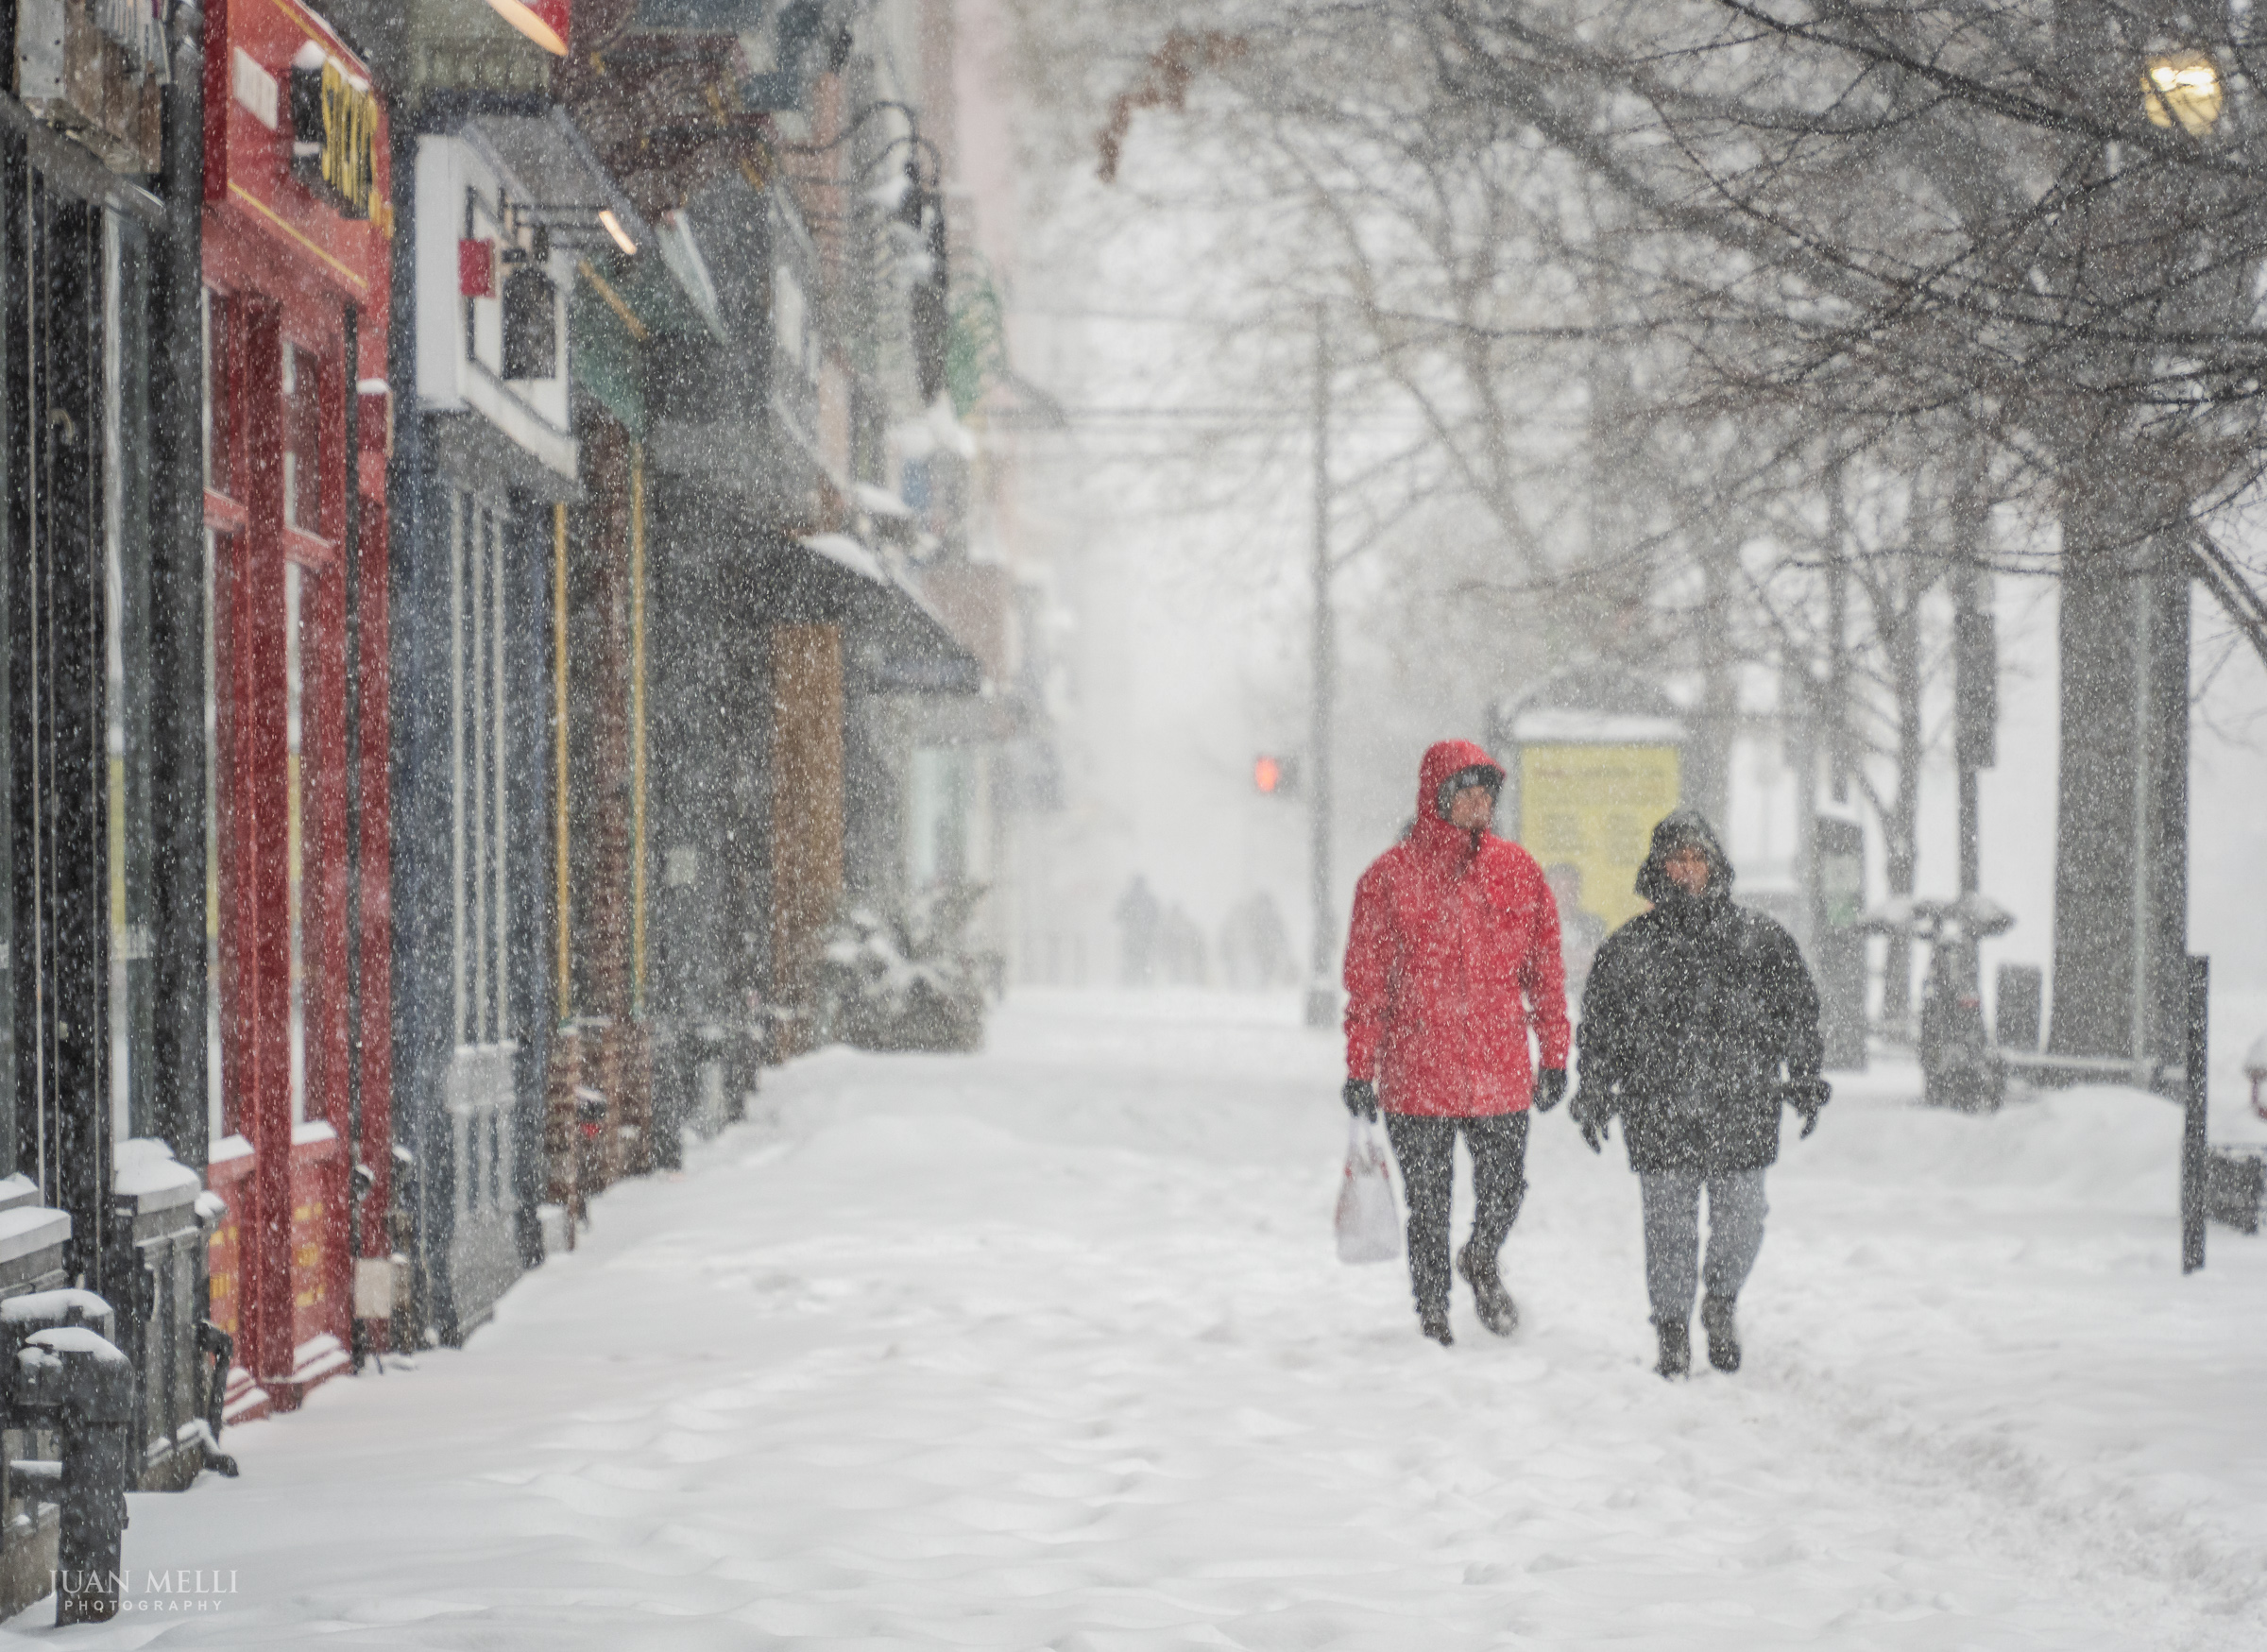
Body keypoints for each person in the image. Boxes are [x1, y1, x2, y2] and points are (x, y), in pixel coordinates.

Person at [1567, 809, 1829, 1378]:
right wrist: (1592, 1091)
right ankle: (1670, 1330)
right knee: (1668, 1229)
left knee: (1743, 1219)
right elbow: (1599, 1030)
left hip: (1743, 1106)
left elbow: (1799, 1014)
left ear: (1714, 865)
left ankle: (1721, 1301)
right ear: (1658, 867)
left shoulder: (1760, 940)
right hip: (1657, 1109)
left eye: (1697, 859)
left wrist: (1805, 1075)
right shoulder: (1628, 949)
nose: (1687, 870)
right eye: (1676, 859)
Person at [1342, 741, 1571, 1346]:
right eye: (1465, 791)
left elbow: (1545, 971)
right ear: (1436, 797)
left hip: (1498, 1068)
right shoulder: (1388, 880)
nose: (1478, 802)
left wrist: (1553, 1053)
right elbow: (1367, 984)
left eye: (1486, 791)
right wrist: (1360, 1067)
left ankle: (1482, 1256)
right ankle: (1434, 1312)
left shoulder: (1518, 872)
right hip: (1417, 1072)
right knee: (1429, 1205)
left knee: (1505, 1188)